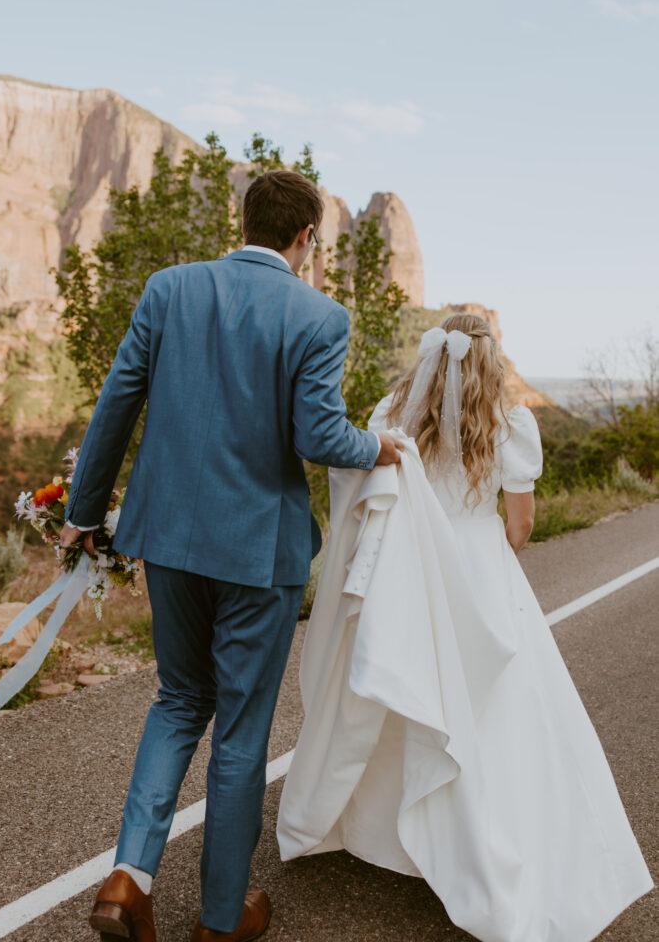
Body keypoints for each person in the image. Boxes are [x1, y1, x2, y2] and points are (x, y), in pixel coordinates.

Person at [59, 169, 403, 942]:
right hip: (258, 553)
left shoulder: (169, 288)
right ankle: (219, 920)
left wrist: (84, 515)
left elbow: (117, 401)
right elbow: (319, 438)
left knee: (179, 700)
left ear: (244, 220)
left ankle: (129, 877)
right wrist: (375, 446)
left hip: (168, 541)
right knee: (241, 732)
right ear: (306, 237)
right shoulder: (320, 315)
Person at [277, 313, 654, 942]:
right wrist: (490, 552)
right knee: (493, 704)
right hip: (481, 570)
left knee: (408, 689)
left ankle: (385, 827)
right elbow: (521, 524)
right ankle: (471, 840)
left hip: (410, 575)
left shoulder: (392, 413)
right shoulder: (510, 425)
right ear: (488, 361)